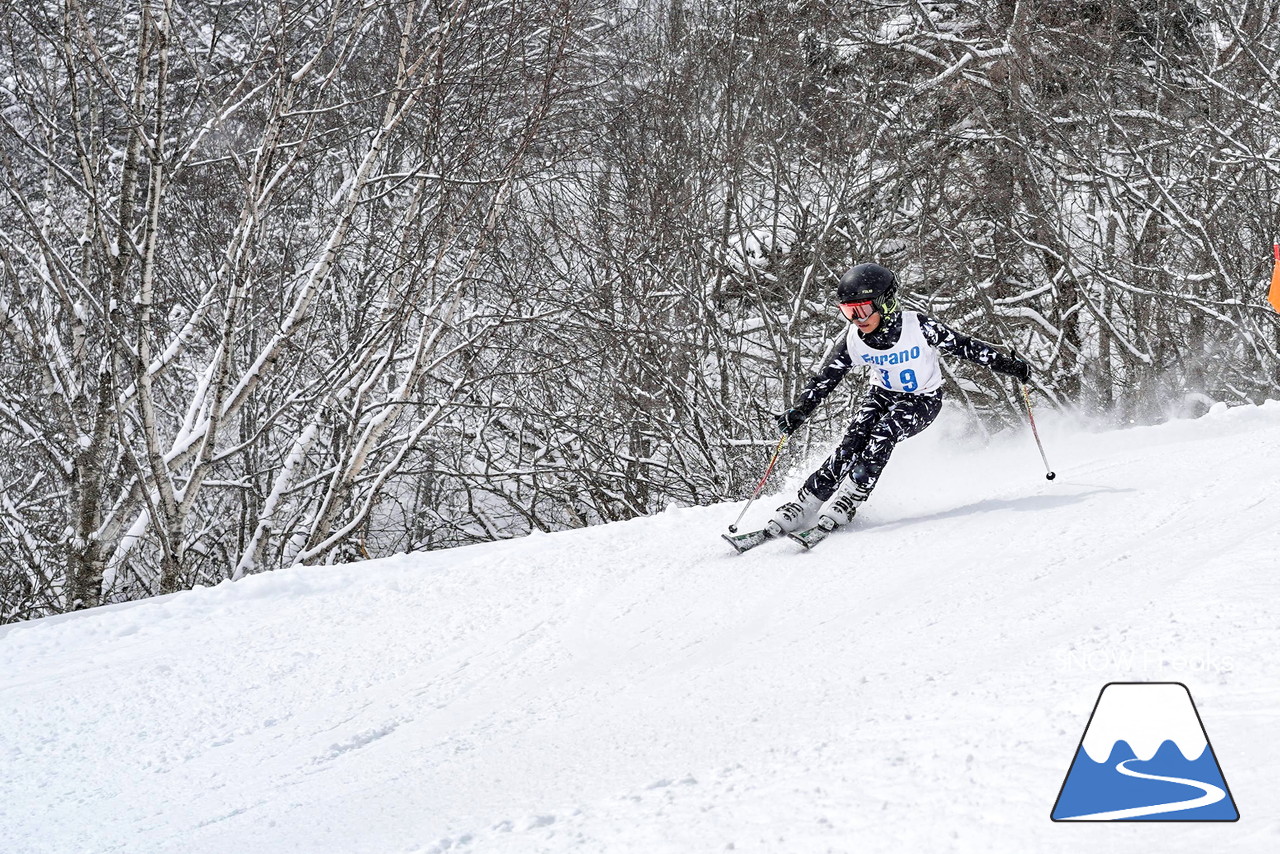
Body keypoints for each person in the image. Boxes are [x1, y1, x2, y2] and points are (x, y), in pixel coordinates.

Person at [767, 262, 1031, 536]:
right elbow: (827, 378)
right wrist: (800, 410)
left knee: (884, 432)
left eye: (863, 309)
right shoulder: (855, 339)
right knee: (854, 438)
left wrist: (1008, 366)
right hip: (882, 394)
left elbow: (964, 346)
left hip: (923, 400)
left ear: (886, 303)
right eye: (848, 311)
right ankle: (807, 500)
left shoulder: (917, 327)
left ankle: (851, 495)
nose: (857, 318)